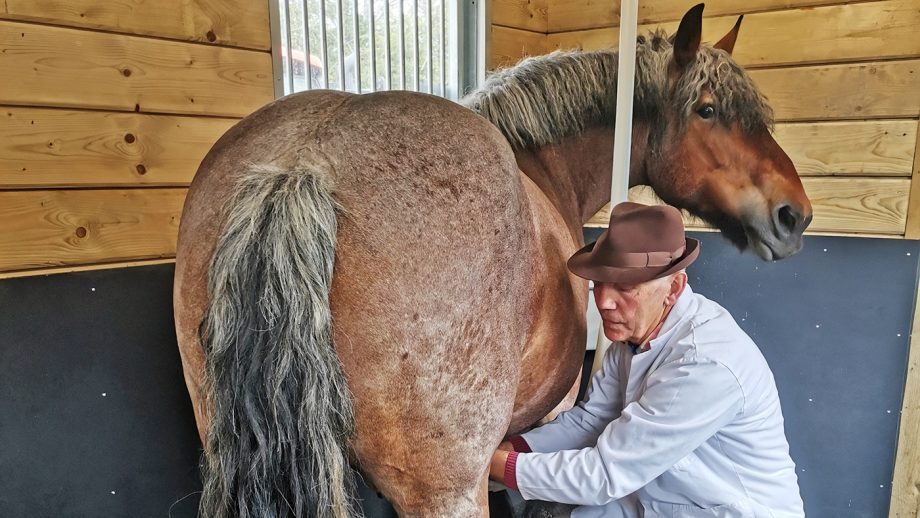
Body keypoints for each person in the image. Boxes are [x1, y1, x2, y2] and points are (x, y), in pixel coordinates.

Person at [489, 202, 804, 517]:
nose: (604, 302)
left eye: (625, 287)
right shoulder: (632, 340)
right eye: (598, 284)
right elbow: (591, 420)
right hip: (660, 499)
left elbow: (603, 475)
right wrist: (514, 449)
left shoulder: (704, 363)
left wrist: (486, 463)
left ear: (674, 286)